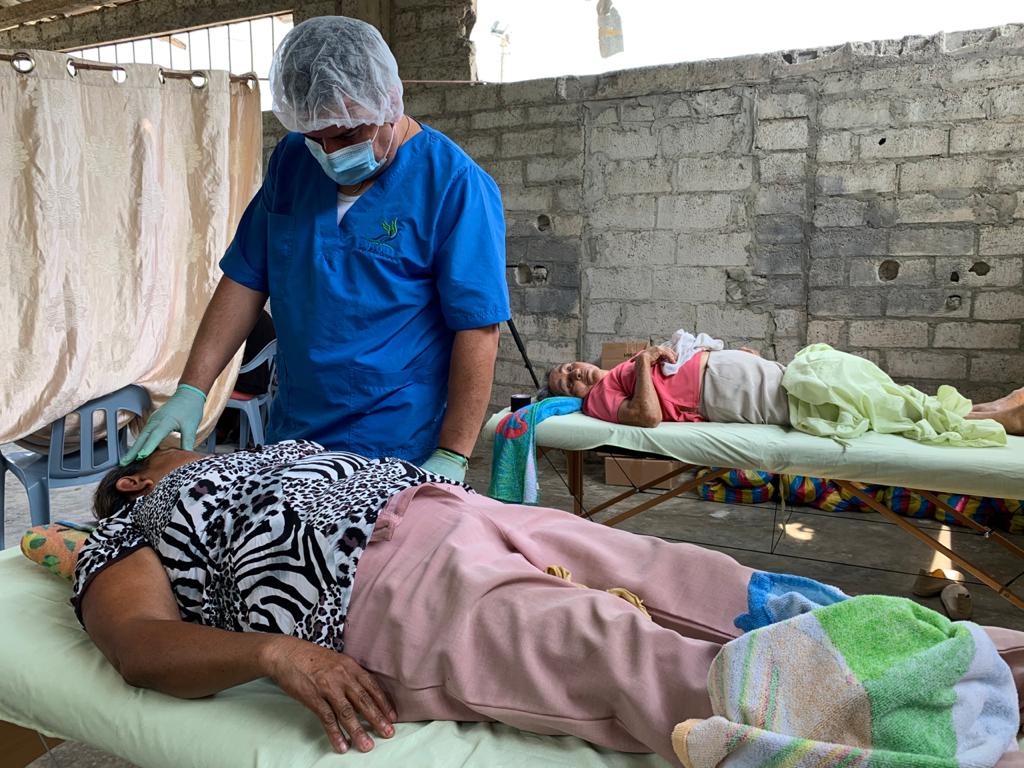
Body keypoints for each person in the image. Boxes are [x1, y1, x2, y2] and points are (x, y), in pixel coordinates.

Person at [77, 442, 1024, 764]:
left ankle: (978, 659)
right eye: (162, 447)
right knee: (620, 650)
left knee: (719, 584)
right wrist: (275, 654)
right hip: (384, 596)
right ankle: (933, 738)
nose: (184, 441)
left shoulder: (253, 454)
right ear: (132, 480)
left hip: (454, 510)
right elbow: (138, 645)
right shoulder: (136, 527)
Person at [122, 16, 511, 482]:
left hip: (394, 440)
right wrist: (193, 389)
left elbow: (477, 328)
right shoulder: (292, 162)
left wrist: (453, 453)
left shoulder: (453, 186)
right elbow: (245, 278)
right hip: (294, 433)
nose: (329, 152)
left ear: (388, 101)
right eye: (315, 136)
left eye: (346, 135)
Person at [546, 344, 1024, 439]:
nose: (574, 375)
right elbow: (647, 417)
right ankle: (992, 417)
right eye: (566, 382)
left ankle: (983, 409)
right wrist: (645, 361)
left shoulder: (615, 372)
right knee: (861, 395)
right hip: (740, 394)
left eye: (569, 367)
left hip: (753, 377)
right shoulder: (598, 400)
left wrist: (729, 352)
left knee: (858, 381)